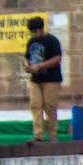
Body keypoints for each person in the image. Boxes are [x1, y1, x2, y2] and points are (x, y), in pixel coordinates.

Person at [23, 16, 63, 144]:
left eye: (35, 31)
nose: (34, 34)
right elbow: (27, 57)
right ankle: (38, 135)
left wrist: (39, 66)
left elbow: (57, 58)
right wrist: (27, 66)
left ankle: (53, 135)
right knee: (35, 105)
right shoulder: (31, 42)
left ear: (41, 29)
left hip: (51, 79)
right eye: (32, 32)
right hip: (35, 79)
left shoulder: (52, 40)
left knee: (50, 106)